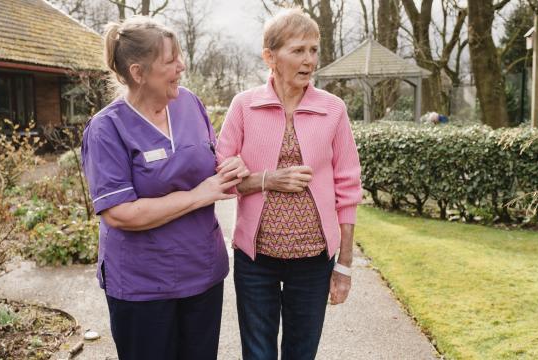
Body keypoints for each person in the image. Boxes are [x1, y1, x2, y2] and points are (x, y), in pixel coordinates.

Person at [81, 16, 249, 360]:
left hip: (202, 274)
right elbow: (120, 213)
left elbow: (212, 163)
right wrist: (197, 195)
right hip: (142, 287)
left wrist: (233, 167)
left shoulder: (189, 103)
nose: (181, 67)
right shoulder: (106, 129)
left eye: (180, 57)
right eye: (170, 61)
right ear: (138, 72)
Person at [216, 8, 363, 360]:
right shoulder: (244, 106)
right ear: (270, 57)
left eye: (313, 50)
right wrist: (267, 180)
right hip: (256, 260)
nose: (309, 60)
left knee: (301, 352)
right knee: (258, 353)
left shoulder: (333, 109)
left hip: (314, 260)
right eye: (298, 50)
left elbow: (348, 189)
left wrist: (343, 266)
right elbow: (220, 176)